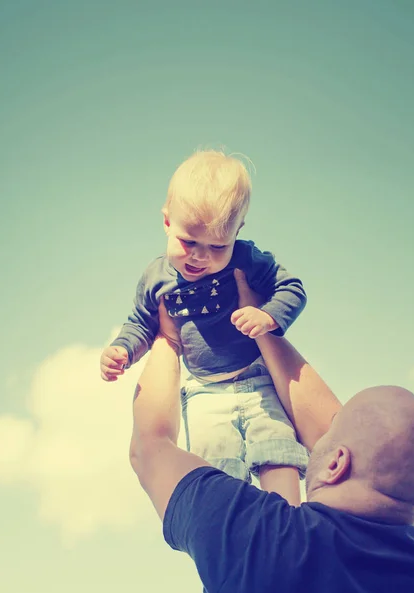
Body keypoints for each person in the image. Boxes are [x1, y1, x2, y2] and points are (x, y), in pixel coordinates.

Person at [128, 270, 414, 593]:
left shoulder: (263, 541)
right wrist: (259, 327)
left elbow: (150, 447)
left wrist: (166, 339)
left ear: (337, 463)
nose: (325, 426)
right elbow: (359, 443)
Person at [101, 149, 308, 504]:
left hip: (257, 378)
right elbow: (140, 323)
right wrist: (122, 349)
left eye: (217, 246)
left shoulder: (247, 259)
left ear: (237, 232)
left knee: (277, 444)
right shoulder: (156, 278)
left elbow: (292, 288)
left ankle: (287, 514)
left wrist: (269, 315)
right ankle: (236, 525)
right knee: (217, 462)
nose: (201, 256)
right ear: (167, 222)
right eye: (189, 242)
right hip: (202, 390)